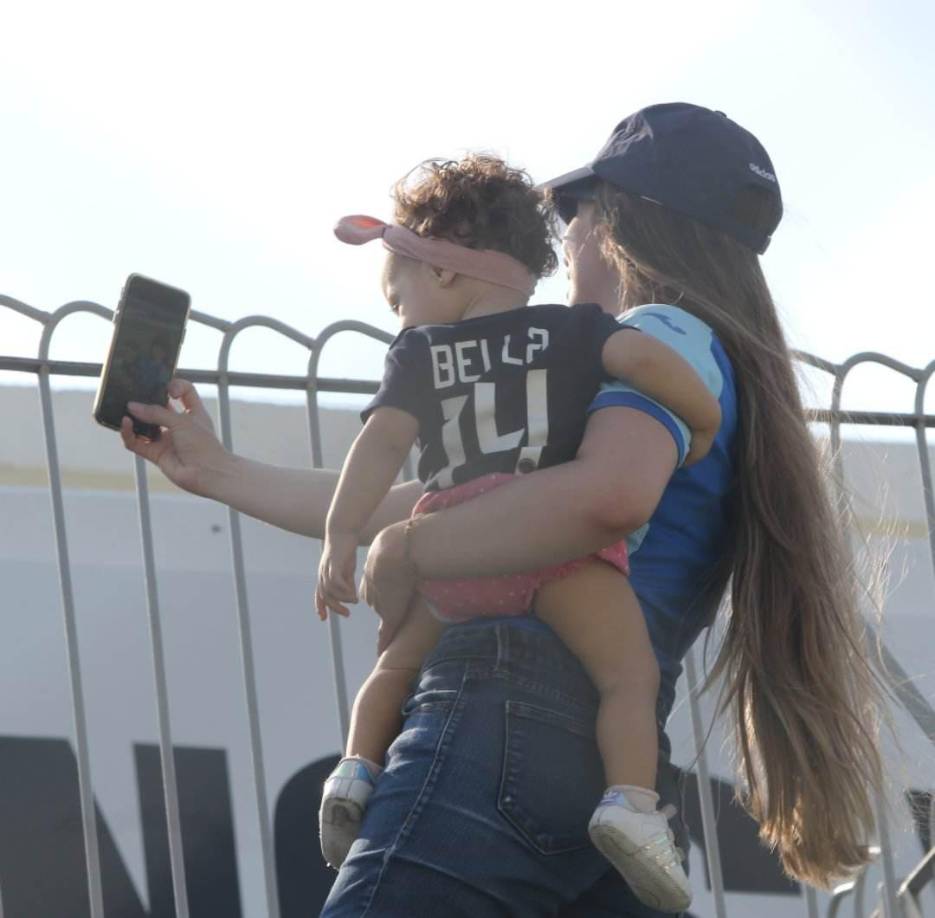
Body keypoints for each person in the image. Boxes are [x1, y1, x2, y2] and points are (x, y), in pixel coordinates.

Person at [121, 103, 886, 918]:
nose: (566, 242)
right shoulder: (707, 363)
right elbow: (440, 505)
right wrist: (218, 470)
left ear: (619, 225)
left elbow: (603, 496)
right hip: (600, 753)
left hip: (504, 713)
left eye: (576, 213)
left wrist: (415, 550)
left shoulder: (655, 331)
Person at [314, 156, 721, 912]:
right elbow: (641, 359)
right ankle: (631, 807)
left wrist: (342, 537)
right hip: (548, 549)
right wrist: (701, 420)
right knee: (625, 677)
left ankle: (356, 771)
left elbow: (377, 449)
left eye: (395, 295)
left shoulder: (416, 353)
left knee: (394, 669)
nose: (397, 314)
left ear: (440, 275)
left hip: (453, 541)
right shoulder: (573, 331)